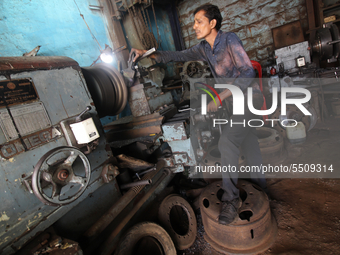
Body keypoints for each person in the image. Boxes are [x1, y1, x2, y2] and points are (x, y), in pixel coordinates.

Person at [129, 4, 267, 225]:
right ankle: (262, 187)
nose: (194, 26)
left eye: (199, 21)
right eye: (193, 22)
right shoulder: (204, 48)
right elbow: (177, 55)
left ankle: (232, 200)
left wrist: (220, 97)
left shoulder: (230, 39)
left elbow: (248, 71)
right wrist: (146, 54)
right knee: (248, 140)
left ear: (213, 23)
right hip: (234, 103)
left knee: (228, 141)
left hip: (248, 100)